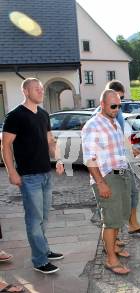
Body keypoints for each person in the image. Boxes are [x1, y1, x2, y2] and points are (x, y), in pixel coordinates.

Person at [1, 78, 64, 274]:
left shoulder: (44, 114)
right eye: (36, 89)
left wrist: (59, 159)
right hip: (29, 177)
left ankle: (43, 249)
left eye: (42, 89)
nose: (41, 91)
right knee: (34, 219)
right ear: (26, 92)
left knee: (44, 217)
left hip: (46, 173)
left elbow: (51, 141)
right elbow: (5, 145)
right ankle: (39, 260)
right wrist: (11, 171)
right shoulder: (15, 116)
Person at [82, 89, 132, 275]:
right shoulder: (93, 125)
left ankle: (113, 248)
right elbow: (90, 158)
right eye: (113, 106)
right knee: (110, 221)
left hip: (121, 174)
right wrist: (101, 183)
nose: (117, 109)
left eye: (119, 105)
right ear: (102, 104)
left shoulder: (114, 123)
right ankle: (111, 260)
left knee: (120, 215)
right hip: (106, 177)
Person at [103, 80, 140, 238]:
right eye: (117, 100)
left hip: (123, 162)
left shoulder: (118, 114)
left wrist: (131, 149)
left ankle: (133, 224)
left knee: (132, 194)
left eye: (121, 100)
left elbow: (121, 136)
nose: (119, 104)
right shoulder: (102, 115)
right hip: (111, 167)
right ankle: (113, 241)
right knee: (114, 202)